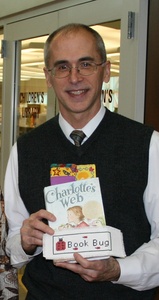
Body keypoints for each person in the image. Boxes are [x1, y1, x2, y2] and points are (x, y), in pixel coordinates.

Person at [4, 23, 159, 300]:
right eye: (62, 67)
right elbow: (14, 244)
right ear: (48, 77)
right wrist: (26, 242)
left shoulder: (148, 144)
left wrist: (118, 270)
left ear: (106, 70)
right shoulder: (25, 149)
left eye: (86, 64)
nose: (74, 77)